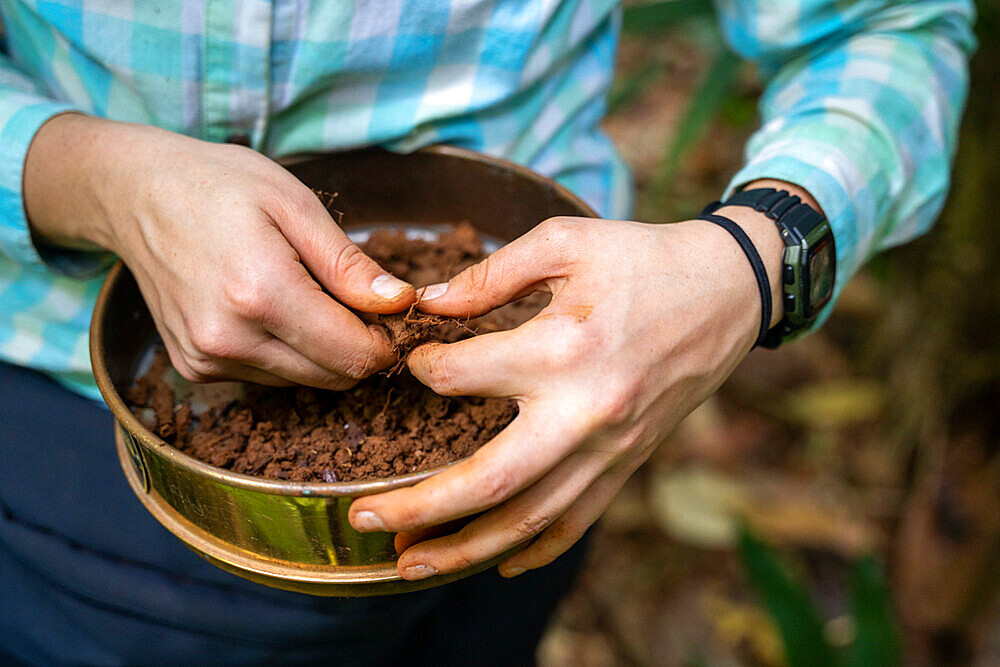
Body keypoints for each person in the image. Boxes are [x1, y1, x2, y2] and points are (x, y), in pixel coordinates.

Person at [0, 0, 974, 664]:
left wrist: (753, 263)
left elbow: (891, 24)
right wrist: (90, 177)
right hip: (78, 457)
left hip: (559, 435)